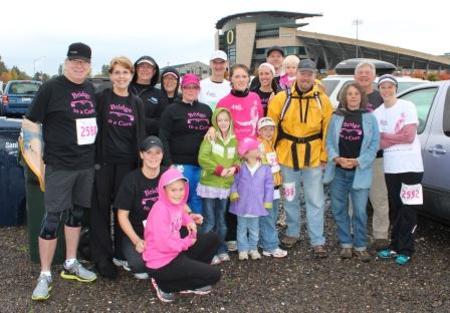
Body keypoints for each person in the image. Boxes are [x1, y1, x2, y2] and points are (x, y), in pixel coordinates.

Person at [29, 42, 98, 301]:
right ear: (66, 63)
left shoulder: (91, 88)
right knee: (51, 219)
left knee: (77, 215)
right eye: (74, 62)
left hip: (85, 164)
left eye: (84, 62)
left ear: (89, 65)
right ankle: (45, 274)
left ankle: (71, 262)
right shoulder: (51, 88)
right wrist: (37, 160)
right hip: (59, 165)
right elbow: (30, 121)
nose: (79, 66)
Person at [268, 59, 333, 258]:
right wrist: (273, 157)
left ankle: (317, 240)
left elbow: (327, 131)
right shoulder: (281, 98)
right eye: (302, 73)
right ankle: (292, 232)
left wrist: (324, 156)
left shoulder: (322, 100)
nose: (305, 77)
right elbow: (271, 128)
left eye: (309, 73)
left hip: (313, 157)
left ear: (314, 76)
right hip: (287, 156)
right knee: (290, 195)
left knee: (315, 199)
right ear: (296, 74)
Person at [90, 56, 146, 279]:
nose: (121, 77)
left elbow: (140, 133)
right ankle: (102, 258)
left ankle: (121, 253)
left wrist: (141, 163)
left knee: (123, 210)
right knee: (100, 210)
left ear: (131, 75)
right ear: (111, 75)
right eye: (117, 72)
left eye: (125, 72)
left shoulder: (136, 103)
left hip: (127, 164)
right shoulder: (102, 97)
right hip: (103, 162)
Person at [144, 168, 221, 303]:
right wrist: (186, 243)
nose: (178, 194)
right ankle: (165, 285)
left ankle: (189, 275)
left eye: (181, 189)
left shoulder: (175, 204)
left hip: (175, 254)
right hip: (162, 263)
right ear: (164, 190)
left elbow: (181, 213)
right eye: (173, 190)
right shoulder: (160, 210)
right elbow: (164, 244)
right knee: (214, 276)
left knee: (213, 238)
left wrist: (190, 221)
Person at [323, 83, 380, 262]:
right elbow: (329, 142)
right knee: (339, 209)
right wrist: (337, 158)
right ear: (344, 97)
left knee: (360, 211)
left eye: (356, 94)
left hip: (360, 171)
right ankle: (346, 244)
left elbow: (374, 144)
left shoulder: (370, 118)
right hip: (339, 170)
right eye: (349, 94)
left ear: (361, 97)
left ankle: (361, 245)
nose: (353, 97)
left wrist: (358, 161)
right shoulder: (336, 116)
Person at [373, 74, 424, 265]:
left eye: (390, 87)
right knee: (397, 207)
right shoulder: (377, 113)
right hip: (391, 167)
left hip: (412, 166)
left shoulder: (407, 106)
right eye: (383, 87)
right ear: (379, 90)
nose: (386, 90)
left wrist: (386, 136)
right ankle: (394, 245)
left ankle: (406, 249)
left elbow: (410, 136)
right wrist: (395, 136)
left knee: (409, 209)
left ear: (395, 88)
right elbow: (378, 142)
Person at [115, 136, 168, 280]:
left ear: (162, 154)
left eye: (157, 152)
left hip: (163, 231)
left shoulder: (167, 174)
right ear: (141, 154)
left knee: (193, 234)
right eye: (149, 152)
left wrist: (190, 215)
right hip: (139, 233)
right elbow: (122, 215)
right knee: (139, 267)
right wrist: (136, 240)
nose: (153, 156)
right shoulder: (131, 180)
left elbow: (179, 201)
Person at [159, 74, 212, 214]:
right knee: (180, 202)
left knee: (198, 200)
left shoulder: (206, 110)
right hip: (180, 165)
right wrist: (168, 163)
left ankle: (197, 233)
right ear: (182, 88)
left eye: (194, 87)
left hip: (201, 165)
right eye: (187, 87)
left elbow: (216, 127)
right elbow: (163, 137)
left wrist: (213, 127)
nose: (191, 90)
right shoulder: (171, 110)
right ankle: (178, 234)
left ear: (199, 89)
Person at [354, 61, 389, 250]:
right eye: (360, 73)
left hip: (376, 157)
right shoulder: (350, 95)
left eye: (368, 73)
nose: (364, 76)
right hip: (354, 158)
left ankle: (381, 235)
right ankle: (353, 232)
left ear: (373, 76)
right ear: (355, 76)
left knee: (379, 197)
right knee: (354, 198)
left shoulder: (380, 98)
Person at [197, 107, 240, 264]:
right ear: (215, 121)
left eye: (226, 120)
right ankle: (208, 252)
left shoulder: (233, 140)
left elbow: (237, 158)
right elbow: (203, 158)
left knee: (221, 220)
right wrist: (219, 170)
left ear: (230, 122)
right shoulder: (210, 137)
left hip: (224, 187)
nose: (223, 123)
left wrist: (234, 168)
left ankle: (221, 248)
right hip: (210, 184)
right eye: (220, 120)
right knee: (210, 221)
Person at [230, 137, 274, 260]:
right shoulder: (240, 168)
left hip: (257, 205)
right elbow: (233, 181)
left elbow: (269, 186)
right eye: (255, 148)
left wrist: (268, 200)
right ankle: (243, 249)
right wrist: (233, 192)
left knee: (255, 229)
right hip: (241, 204)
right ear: (247, 153)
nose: (258, 149)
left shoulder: (265, 168)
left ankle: (253, 248)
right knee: (241, 228)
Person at [257, 117, 287, 258]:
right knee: (268, 216)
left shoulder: (271, 144)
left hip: (274, 187)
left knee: (272, 215)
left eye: (271, 129)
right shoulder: (259, 145)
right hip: (265, 188)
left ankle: (264, 241)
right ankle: (271, 246)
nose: (268, 132)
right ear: (259, 131)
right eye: (264, 129)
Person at [216, 64, 264, 141]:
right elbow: (218, 128)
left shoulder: (255, 97)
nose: (241, 80)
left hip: (254, 146)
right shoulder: (223, 103)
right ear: (230, 79)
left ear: (249, 79)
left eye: (244, 76)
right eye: (237, 77)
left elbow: (260, 123)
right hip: (233, 148)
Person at [129, 55, 162, 136]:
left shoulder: (160, 94)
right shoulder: (125, 89)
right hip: (124, 140)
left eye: (149, 67)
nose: (145, 70)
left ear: (154, 71)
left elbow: (162, 123)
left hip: (147, 142)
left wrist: (137, 120)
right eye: (142, 67)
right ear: (136, 69)